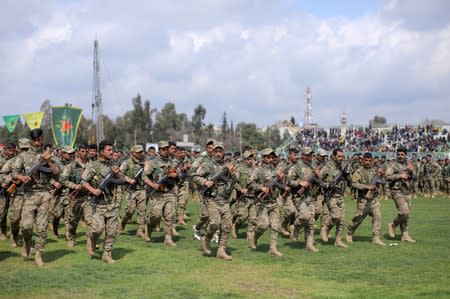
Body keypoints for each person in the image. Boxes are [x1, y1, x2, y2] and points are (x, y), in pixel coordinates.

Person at [11, 129, 60, 267]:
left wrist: (49, 161)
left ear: (42, 139)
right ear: (30, 140)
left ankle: (39, 254)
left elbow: (56, 173)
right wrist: (22, 177)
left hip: (45, 194)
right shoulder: (23, 156)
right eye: (34, 140)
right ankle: (27, 242)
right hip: (29, 194)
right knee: (26, 226)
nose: (37, 143)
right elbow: (13, 173)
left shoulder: (48, 155)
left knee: (42, 227)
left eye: (39, 140)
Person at [82, 140, 133, 263]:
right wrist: (93, 191)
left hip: (113, 203)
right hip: (98, 204)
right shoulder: (93, 165)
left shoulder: (114, 165)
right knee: (97, 229)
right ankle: (92, 239)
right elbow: (83, 181)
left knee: (111, 231)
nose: (112, 152)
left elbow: (122, 180)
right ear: (101, 152)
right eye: (109, 150)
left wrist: (117, 174)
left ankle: (107, 254)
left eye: (112, 150)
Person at [194, 142, 237, 260]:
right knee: (215, 223)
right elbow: (195, 176)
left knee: (227, 225)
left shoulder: (227, 165)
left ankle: (221, 250)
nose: (218, 154)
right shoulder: (207, 165)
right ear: (212, 152)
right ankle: (206, 238)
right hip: (211, 199)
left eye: (220, 151)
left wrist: (232, 173)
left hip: (224, 200)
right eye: (216, 151)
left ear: (223, 153)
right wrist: (205, 182)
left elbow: (234, 180)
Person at [248, 148, 289, 256]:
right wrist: (261, 188)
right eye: (268, 157)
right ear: (263, 158)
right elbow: (250, 184)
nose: (271, 159)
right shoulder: (258, 170)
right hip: (262, 202)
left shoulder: (275, 170)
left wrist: (281, 179)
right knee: (263, 225)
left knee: (275, 226)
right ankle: (255, 236)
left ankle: (273, 248)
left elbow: (280, 185)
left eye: (272, 157)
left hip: (273, 201)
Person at [143, 141, 180, 247]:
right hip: (157, 193)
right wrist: (152, 184)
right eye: (163, 149)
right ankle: (149, 228)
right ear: (159, 150)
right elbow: (144, 176)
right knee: (156, 215)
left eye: (167, 149)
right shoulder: (152, 162)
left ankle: (168, 238)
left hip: (170, 192)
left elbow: (180, 176)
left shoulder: (173, 162)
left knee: (170, 215)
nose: (165, 151)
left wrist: (176, 175)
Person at [346, 152, 387, 246]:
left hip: (374, 199)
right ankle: (349, 233)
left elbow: (384, 181)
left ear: (372, 160)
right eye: (366, 160)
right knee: (358, 218)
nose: (368, 162)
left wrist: (381, 176)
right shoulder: (359, 171)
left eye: (369, 161)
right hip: (363, 200)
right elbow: (354, 183)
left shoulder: (376, 170)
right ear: (362, 160)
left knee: (377, 217)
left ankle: (376, 238)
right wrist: (366, 187)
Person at [287, 147, 321, 252]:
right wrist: (299, 183)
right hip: (299, 197)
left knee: (311, 222)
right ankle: (295, 227)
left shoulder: (313, 166)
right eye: (307, 155)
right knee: (305, 216)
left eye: (310, 155)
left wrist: (318, 177)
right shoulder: (295, 167)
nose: (309, 157)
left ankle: (309, 244)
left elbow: (317, 181)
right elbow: (288, 181)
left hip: (311, 197)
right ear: (302, 155)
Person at [319, 148, 351, 248]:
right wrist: (328, 185)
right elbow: (319, 181)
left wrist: (347, 176)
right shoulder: (327, 167)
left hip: (340, 196)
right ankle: (325, 228)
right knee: (336, 216)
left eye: (342, 156)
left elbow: (350, 183)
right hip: (331, 196)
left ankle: (338, 240)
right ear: (333, 156)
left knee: (341, 220)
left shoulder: (343, 167)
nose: (341, 158)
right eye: (339, 156)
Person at [385, 147, 417, 243]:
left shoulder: (409, 164)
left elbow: (415, 177)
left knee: (406, 215)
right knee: (404, 211)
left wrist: (411, 172)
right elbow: (387, 177)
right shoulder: (392, 165)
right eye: (398, 154)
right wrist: (400, 175)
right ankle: (393, 225)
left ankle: (405, 235)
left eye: (402, 154)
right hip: (397, 191)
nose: (400, 156)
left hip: (407, 191)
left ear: (405, 155)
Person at [60, 144, 89, 247]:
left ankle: (91, 241)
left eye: (86, 151)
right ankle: (71, 237)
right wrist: (74, 186)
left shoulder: (91, 165)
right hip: (75, 197)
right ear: (78, 152)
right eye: (82, 151)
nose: (84, 154)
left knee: (90, 220)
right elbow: (62, 180)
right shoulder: (71, 166)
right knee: (73, 220)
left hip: (88, 197)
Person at [119, 145, 149, 241]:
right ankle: (123, 223)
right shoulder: (127, 162)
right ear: (133, 153)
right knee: (130, 211)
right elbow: (119, 174)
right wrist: (128, 180)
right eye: (138, 152)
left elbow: (145, 176)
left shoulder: (144, 163)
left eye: (141, 152)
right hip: (130, 190)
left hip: (141, 189)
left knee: (142, 211)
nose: (141, 153)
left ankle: (140, 230)